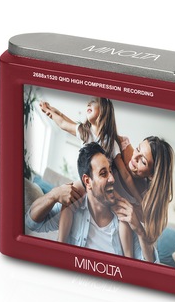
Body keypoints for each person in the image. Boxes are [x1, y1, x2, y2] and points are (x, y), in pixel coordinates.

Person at [39, 97, 144, 255]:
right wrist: (50, 111)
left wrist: (138, 199)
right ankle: (61, 243)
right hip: (86, 182)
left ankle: (128, 256)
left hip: (104, 187)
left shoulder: (111, 143)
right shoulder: (84, 132)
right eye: (89, 102)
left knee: (122, 212)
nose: (89, 103)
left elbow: (125, 175)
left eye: (94, 103)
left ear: (104, 112)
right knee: (69, 199)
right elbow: (62, 122)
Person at [25, 143, 158, 263]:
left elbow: (150, 266)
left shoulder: (127, 219)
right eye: (103, 173)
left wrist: (141, 231)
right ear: (87, 181)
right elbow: (31, 223)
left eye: (110, 171)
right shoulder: (73, 206)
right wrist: (53, 195)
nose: (112, 178)